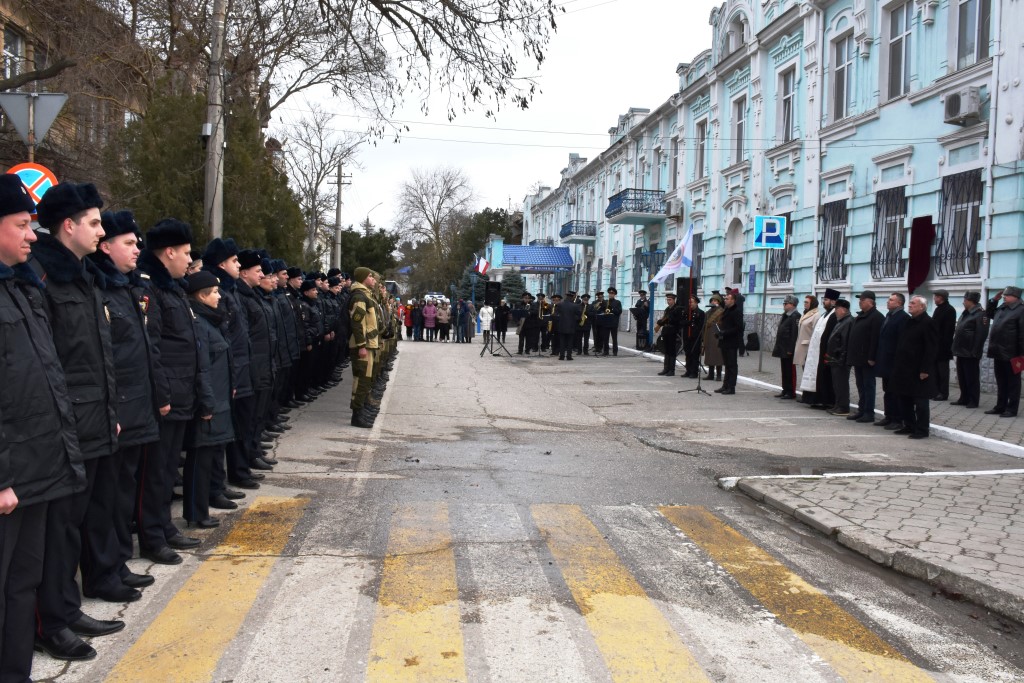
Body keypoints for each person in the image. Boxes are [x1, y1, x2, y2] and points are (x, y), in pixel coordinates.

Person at [30, 183, 124, 660]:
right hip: (64, 425)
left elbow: (96, 357)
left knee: (79, 520)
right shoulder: (44, 276)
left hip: (94, 419)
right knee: (58, 527)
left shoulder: (86, 276)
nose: (101, 231)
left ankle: (67, 609)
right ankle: (52, 622)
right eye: (94, 222)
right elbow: (50, 365)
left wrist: (110, 414)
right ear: (68, 225)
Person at [0, 175, 84, 678]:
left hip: (35, 469)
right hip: (10, 478)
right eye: (21, 225)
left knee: (22, 580)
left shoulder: (19, 289)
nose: (34, 236)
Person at [85, 211, 159, 604]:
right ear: (106, 246)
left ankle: (115, 563)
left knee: (122, 494)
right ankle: (101, 572)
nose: (137, 250)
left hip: (135, 406)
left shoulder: (128, 288)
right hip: (115, 410)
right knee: (106, 497)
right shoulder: (102, 288)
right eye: (129, 243)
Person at [135, 219, 209, 568]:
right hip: (165, 399)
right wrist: (163, 395)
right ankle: (151, 536)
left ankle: (163, 526)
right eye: (186, 253)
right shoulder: (151, 290)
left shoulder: (174, 289)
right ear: (169, 252)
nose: (189, 260)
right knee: (155, 471)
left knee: (166, 470)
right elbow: (153, 349)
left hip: (181, 395)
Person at [182, 271, 233, 528]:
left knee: (210, 455)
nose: (219, 295)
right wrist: (207, 402)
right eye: (214, 292)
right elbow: (202, 368)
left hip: (219, 398)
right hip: (209, 402)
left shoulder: (211, 321)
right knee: (200, 458)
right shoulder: (200, 324)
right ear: (201, 296)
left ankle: (203, 507)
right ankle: (196, 513)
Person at [892, 295, 938, 438]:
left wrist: (925, 369)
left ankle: (922, 429)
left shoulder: (928, 323)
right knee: (904, 398)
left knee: (920, 401)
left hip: (918, 369)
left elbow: (931, 348)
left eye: (913, 303)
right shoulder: (909, 321)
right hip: (904, 368)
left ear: (922, 307)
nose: (909, 305)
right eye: (910, 303)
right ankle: (909, 425)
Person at [846, 290, 885, 423]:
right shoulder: (861, 315)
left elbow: (876, 339)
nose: (860, 302)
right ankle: (861, 410)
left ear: (870, 302)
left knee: (869, 386)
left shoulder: (877, 317)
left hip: (867, 359)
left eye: (862, 300)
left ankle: (869, 412)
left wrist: (872, 357)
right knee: (860, 385)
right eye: (860, 300)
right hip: (858, 358)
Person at [985, 286, 1024, 417]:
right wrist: (993, 300)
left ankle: (1011, 409)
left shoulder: (1021, 310)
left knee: (1013, 383)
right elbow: (989, 314)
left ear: (1016, 297)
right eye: (1003, 296)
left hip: (1012, 353)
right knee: (1001, 381)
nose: (1004, 297)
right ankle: (1000, 406)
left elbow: (1023, 334)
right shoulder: (1003, 307)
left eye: (1006, 295)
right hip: (998, 351)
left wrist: (1022, 354)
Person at [349, 268, 380, 428]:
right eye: (370, 276)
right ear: (363, 278)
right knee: (360, 379)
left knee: (366, 379)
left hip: (369, 344)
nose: (373, 279)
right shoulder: (360, 297)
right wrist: (361, 345)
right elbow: (357, 323)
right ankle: (357, 415)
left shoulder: (365, 295)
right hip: (362, 345)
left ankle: (362, 409)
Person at [874, 293, 910, 430]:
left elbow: (902, 341)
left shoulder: (903, 318)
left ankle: (897, 419)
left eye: (891, 300)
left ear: (899, 303)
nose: (888, 302)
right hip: (885, 360)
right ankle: (888, 416)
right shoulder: (889, 316)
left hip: (895, 361)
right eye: (888, 299)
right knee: (887, 390)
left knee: (895, 391)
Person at [800, 288, 839, 409]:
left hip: (824, 352)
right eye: (824, 299)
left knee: (825, 377)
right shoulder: (824, 315)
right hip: (816, 351)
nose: (824, 302)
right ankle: (815, 399)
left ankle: (826, 401)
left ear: (833, 301)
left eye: (826, 300)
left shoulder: (833, 316)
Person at [951, 291, 988, 409]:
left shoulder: (980, 314)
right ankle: (964, 397)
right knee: (962, 376)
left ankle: (973, 400)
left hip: (970, 351)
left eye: (965, 300)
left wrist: (975, 351)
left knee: (971, 377)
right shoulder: (966, 313)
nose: (963, 302)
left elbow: (981, 334)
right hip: (961, 350)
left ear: (970, 301)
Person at [825, 299, 854, 416]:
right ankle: (838, 405)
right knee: (836, 384)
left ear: (844, 309)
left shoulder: (848, 322)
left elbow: (845, 342)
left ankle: (843, 407)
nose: (835, 311)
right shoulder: (841, 321)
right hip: (834, 358)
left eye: (837, 309)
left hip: (840, 359)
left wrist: (841, 358)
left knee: (841, 384)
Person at [772, 295, 800, 398]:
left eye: (786, 303)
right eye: (784, 303)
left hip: (788, 349)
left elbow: (794, 334)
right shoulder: (786, 315)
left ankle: (791, 391)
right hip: (782, 347)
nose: (784, 305)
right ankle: (785, 389)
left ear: (793, 305)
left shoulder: (795, 316)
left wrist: (791, 349)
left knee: (790, 371)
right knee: (784, 370)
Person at [931, 289, 957, 401]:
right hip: (935, 345)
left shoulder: (949, 310)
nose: (934, 299)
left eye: (936, 297)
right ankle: (935, 391)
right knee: (935, 371)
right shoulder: (938, 309)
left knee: (943, 372)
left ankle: (943, 393)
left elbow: (948, 330)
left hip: (943, 346)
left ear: (941, 298)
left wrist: (944, 345)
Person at [715, 292, 743, 394]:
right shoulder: (726, 310)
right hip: (724, 341)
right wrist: (719, 332)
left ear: (733, 300)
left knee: (732, 365)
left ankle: (731, 387)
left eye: (727, 299)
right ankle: (725, 385)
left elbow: (738, 328)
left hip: (732, 342)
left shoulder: (737, 311)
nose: (725, 300)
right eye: (725, 298)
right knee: (726, 364)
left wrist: (725, 332)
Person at [794, 295, 820, 403]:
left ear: (813, 303)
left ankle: (810, 396)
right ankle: (806, 394)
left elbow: (815, 332)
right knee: (805, 371)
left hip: (809, 346)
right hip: (802, 345)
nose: (805, 304)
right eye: (804, 302)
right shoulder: (806, 313)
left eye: (807, 302)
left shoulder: (816, 315)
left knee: (809, 372)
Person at [655, 292, 683, 376]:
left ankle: (671, 370)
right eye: (667, 300)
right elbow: (665, 319)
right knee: (666, 350)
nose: (668, 301)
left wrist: (665, 321)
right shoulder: (667, 309)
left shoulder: (677, 309)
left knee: (672, 351)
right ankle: (666, 369)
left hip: (673, 331)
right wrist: (661, 322)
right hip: (666, 331)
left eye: (670, 300)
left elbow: (676, 320)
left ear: (674, 300)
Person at [681, 295, 705, 378]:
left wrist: (693, 329)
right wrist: (687, 323)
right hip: (687, 336)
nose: (690, 304)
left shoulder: (700, 313)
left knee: (694, 354)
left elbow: (700, 326)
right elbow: (682, 322)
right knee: (687, 354)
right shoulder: (687, 312)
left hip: (695, 338)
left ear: (696, 303)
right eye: (689, 302)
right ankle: (688, 370)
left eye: (691, 302)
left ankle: (694, 372)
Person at [702, 294, 725, 381]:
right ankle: (710, 375)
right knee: (709, 354)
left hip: (716, 335)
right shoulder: (708, 312)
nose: (713, 302)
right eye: (712, 300)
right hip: (708, 335)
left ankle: (718, 375)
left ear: (719, 302)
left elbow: (721, 323)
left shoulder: (721, 311)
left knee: (718, 355)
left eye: (715, 301)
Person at [553, 291, 581, 361]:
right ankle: (569, 356)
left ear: (566, 297)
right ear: (572, 297)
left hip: (562, 326)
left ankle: (561, 356)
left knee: (562, 342)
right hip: (571, 326)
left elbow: (555, 315)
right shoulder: (575, 306)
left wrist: (560, 320)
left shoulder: (560, 304)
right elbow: (579, 316)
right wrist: (574, 319)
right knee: (570, 342)